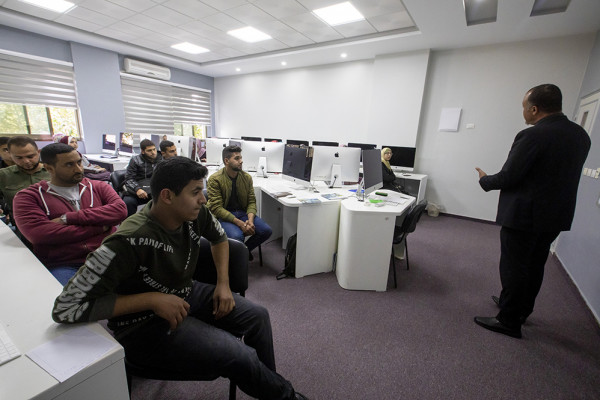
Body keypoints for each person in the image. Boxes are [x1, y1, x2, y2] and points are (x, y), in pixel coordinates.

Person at [51, 157, 308, 400]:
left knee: (258, 316)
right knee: (241, 356)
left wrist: (223, 283)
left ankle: (269, 389)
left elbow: (219, 238)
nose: (203, 199)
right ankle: (284, 396)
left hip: (183, 292)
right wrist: (152, 299)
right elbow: (65, 308)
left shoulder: (195, 213)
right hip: (142, 323)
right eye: (195, 192)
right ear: (167, 196)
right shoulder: (126, 241)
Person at [474, 84, 591, 339]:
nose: (523, 112)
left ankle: (508, 321)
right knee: (535, 265)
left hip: (524, 216)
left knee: (514, 267)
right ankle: (520, 310)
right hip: (555, 216)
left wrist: (484, 180)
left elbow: (509, 176)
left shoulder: (533, 135)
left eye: (524, 107)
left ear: (535, 109)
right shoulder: (581, 135)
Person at [12, 143, 127, 284]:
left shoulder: (99, 186)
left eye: (79, 162)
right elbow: (40, 234)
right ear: (49, 168)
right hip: (66, 263)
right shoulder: (28, 197)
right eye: (69, 165)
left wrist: (67, 218)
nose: (78, 169)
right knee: (70, 296)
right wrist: (100, 227)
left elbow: (120, 211)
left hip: (108, 254)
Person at [207, 145, 272, 261]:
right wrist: (240, 224)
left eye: (241, 158)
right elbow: (216, 208)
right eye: (237, 158)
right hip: (223, 216)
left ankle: (243, 251)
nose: (241, 161)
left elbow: (251, 201)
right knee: (237, 236)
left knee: (266, 231)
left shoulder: (246, 177)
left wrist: (250, 221)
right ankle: (239, 257)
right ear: (226, 161)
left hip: (242, 214)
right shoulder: (215, 179)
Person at [0, 136, 51, 225]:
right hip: (22, 225)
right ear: (11, 155)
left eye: (30, 156)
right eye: (19, 158)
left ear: (38, 152)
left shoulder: (53, 171)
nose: (26, 161)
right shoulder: (3, 175)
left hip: (55, 222)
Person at [123, 138, 162, 216]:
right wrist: (137, 189)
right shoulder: (135, 160)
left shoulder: (161, 159)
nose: (153, 152)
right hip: (139, 189)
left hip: (154, 190)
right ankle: (128, 222)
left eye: (154, 149)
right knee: (128, 202)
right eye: (149, 150)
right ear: (143, 151)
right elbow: (129, 178)